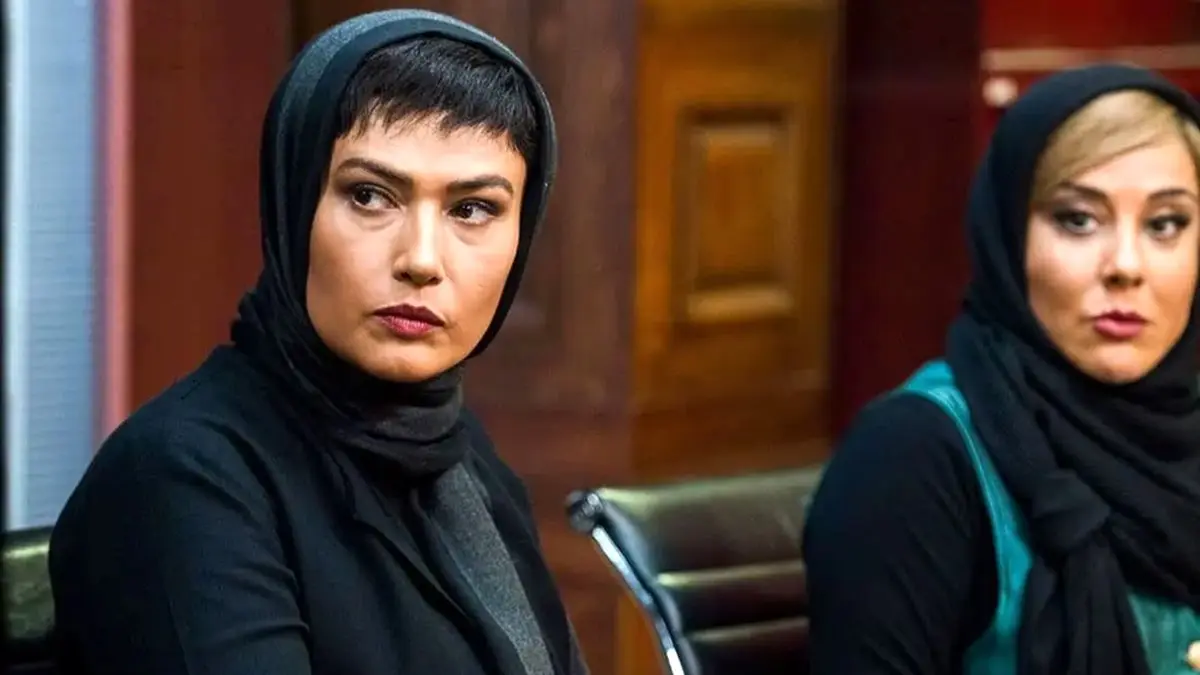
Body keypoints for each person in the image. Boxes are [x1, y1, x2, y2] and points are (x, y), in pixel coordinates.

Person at [48, 10, 587, 675]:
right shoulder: (182, 478)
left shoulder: (459, 453)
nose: (421, 259)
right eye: (370, 196)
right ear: (294, 205)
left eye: (472, 209)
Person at [803, 64, 1200, 675]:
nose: (1126, 265)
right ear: (1009, 237)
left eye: (1165, 224)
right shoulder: (910, 457)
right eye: (1078, 219)